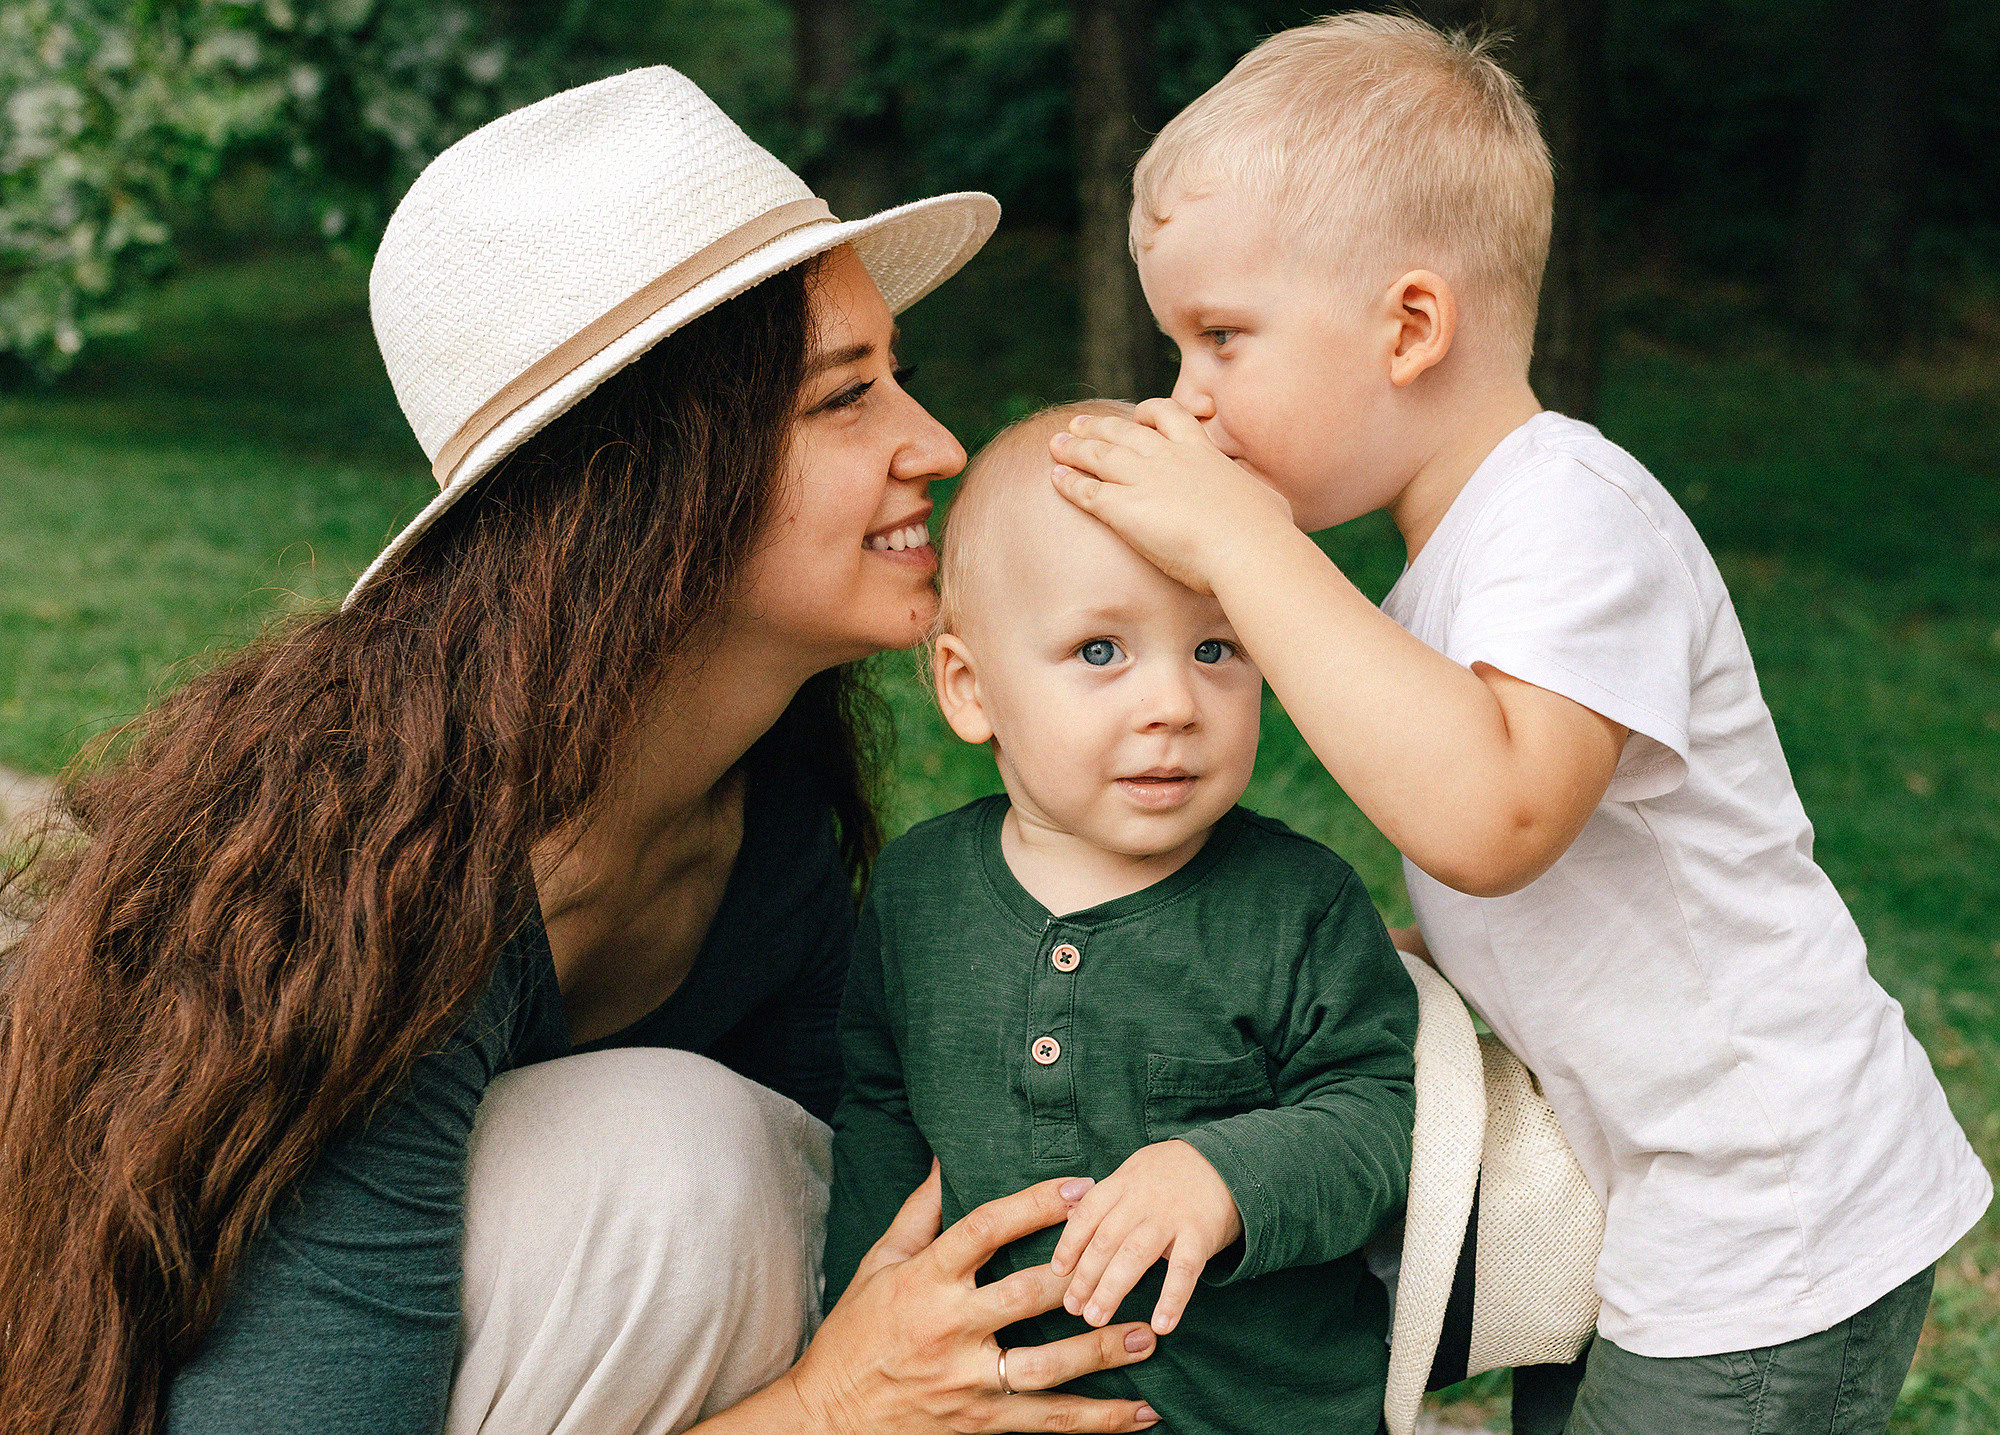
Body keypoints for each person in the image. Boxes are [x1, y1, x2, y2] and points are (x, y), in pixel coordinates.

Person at [0, 69, 1165, 1435]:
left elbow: (890, 1166)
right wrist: (828, 1410)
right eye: (847, 397)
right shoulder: (392, 891)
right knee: (680, 1165)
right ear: (656, 482)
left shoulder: (760, 801)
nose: (937, 443)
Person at [1043, 14, 1992, 1435]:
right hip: (1659, 1209)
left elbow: (1496, 818)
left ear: (1411, 325)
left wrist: (1250, 546)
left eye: (1222, 337)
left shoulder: (1569, 515)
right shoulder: (1453, 564)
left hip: (1774, 1225)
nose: (1191, 394)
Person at [823, 401, 1419, 1435]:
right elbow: (878, 1112)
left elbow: (1378, 1117)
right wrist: (850, 1321)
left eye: (1216, 649)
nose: (1172, 704)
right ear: (969, 690)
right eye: (1101, 651)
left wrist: (1223, 1174)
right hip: (986, 1406)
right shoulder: (920, 895)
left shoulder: (1296, 903)